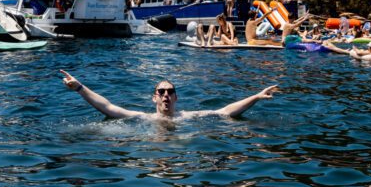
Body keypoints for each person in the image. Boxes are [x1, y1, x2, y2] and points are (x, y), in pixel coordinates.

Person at [61, 70, 279, 120]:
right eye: (161, 92)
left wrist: (256, 97)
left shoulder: (187, 117)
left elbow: (224, 111)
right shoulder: (143, 118)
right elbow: (108, 107)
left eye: (170, 92)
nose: (166, 95)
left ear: (176, 98)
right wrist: (80, 88)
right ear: (154, 98)